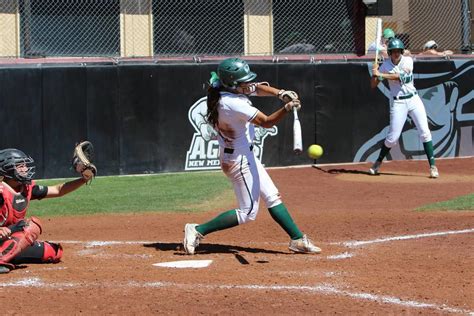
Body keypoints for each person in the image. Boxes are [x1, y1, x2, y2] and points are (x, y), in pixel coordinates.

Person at [183, 58, 321, 255]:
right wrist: (286, 108)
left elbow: (256, 88)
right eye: (243, 82)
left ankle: (297, 240)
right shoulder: (231, 103)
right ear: (232, 84)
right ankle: (197, 230)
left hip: (244, 155)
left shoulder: (224, 88)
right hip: (238, 161)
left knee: (272, 196)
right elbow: (265, 122)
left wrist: (280, 93)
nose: (247, 85)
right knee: (248, 213)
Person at [0, 148, 94, 273]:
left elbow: (58, 190)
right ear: (7, 169)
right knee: (32, 226)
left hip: (9, 239)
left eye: (24, 165)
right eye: (20, 166)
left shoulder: (26, 188)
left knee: (53, 252)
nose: (25, 169)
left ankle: (7, 255)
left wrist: (84, 179)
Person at [370, 38, 439, 178]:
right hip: (398, 103)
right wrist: (375, 73)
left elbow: (399, 77)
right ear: (389, 52)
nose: (396, 53)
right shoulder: (385, 66)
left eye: (398, 51)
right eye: (393, 51)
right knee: (392, 138)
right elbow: (373, 85)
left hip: (414, 100)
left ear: (402, 51)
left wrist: (381, 74)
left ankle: (433, 166)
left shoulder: (408, 61)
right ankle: (377, 162)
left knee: (425, 132)